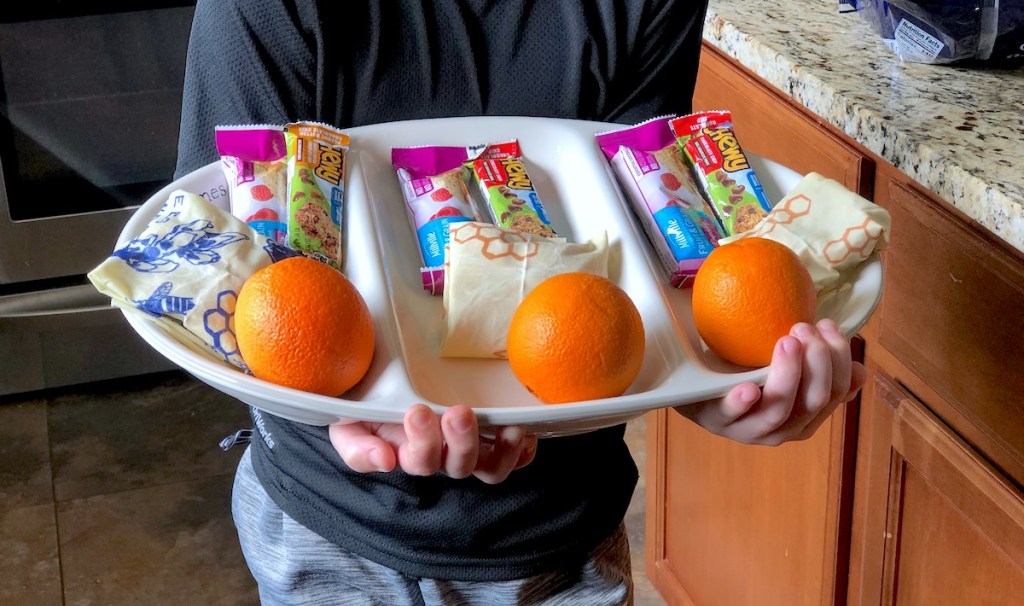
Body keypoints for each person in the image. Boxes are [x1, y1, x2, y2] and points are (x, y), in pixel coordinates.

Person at [174, 1, 866, 604]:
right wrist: (330, 410)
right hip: (326, 524)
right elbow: (222, 280)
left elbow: (647, 250)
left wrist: (714, 378)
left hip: (562, 538)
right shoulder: (264, 6)